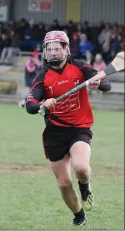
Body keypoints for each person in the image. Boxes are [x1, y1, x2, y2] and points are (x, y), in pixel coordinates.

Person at [25, 31, 111, 227]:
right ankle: (79, 214)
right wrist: (43, 104)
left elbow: (105, 84)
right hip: (55, 132)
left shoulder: (79, 66)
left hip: (79, 128)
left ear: (66, 49)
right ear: (45, 52)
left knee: (80, 167)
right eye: (50, 49)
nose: (53, 52)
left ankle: (85, 186)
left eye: (58, 48)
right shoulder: (42, 75)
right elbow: (30, 104)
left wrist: (98, 83)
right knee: (64, 183)